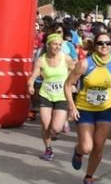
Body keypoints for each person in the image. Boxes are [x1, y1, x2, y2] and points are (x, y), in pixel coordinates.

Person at [65, 31, 111, 184]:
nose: (105, 46)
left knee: (99, 146)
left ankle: (89, 177)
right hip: (85, 108)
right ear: (95, 46)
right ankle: (78, 151)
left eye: (108, 43)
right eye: (101, 43)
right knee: (87, 147)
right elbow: (68, 84)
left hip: (105, 109)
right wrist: (71, 106)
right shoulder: (85, 64)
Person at [26, 33, 75, 161]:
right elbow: (34, 75)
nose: (57, 47)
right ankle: (48, 149)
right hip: (46, 94)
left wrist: (71, 82)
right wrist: (30, 84)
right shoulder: (41, 59)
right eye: (55, 44)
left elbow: (76, 71)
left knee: (56, 128)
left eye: (60, 45)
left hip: (61, 96)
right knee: (45, 125)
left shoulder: (66, 59)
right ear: (48, 45)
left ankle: (62, 122)